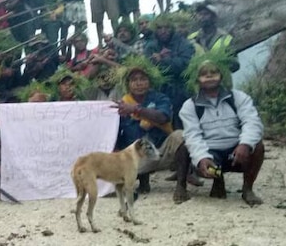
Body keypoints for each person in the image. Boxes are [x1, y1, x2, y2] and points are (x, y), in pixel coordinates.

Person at [173, 51, 264, 206]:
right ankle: (182, 186)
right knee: (184, 147)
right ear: (197, 79)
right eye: (204, 74)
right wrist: (202, 158)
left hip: (235, 153)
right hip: (211, 153)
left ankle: (247, 189)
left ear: (221, 76)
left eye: (213, 72)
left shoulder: (238, 98)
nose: (209, 76)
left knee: (258, 147)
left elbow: (252, 122)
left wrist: (245, 144)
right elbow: (193, 135)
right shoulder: (190, 106)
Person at [112, 57, 184, 194]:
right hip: (135, 158)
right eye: (134, 80)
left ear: (150, 82)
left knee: (179, 135)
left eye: (143, 79)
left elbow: (163, 117)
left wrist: (135, 110)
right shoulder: (122, 104)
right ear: (128, 84)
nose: (139, 83)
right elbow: (114, 132)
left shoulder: (161, 98)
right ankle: (142, 182)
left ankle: (181, 185)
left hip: (160, 152)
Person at [144, 14, 195, 129]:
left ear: (172, 28)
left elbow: (185, 65)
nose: (163, 31)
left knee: (182, 126)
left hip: (181, 90)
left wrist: (163, 60)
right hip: (158, 93)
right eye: (159, 28)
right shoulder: (150, 46)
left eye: (166, 28)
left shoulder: (184, 44)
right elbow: (146, 69)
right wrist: (153, 61)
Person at [187, 3, 239, 71]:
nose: (202, 17)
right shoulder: (191, 38)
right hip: (199, 79)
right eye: (200, 14)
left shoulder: (226, 38)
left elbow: (235, 64)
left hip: (222, 79)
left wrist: (220, 63)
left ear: (214, 17)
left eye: (206, 14)